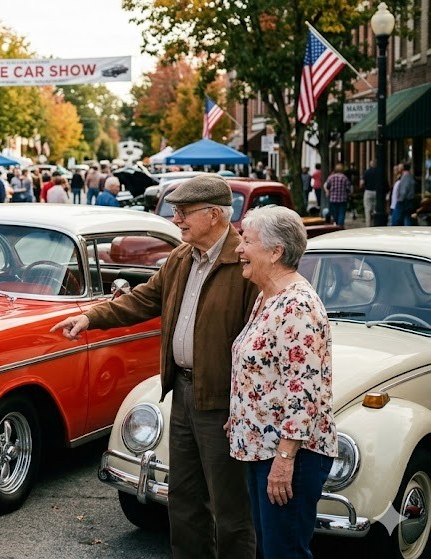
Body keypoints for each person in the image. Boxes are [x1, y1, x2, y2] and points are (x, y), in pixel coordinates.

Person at [50, 174, 258, 559]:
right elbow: (144, 299)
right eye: (174, 211)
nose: (175, 219)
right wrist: (92, 318)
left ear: (214, 215)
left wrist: (244, 406)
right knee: (183, 499)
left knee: (230, 507)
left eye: (183, 212)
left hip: (224, 403)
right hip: (182, 392)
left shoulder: (243, 260)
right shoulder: (181, 257)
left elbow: (257, 344)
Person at [229, 205, 336, 559]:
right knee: (271, 548)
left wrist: (285, 459)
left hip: (291, 454)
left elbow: (303, 389)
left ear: (275, 252)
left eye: (246, 241)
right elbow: (265, 370)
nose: (239, 249)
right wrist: (240, 412)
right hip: (264, 447)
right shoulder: (268, 295)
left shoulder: (297, 306)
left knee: (284, 551)